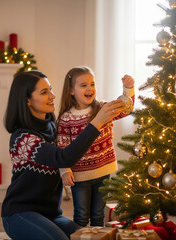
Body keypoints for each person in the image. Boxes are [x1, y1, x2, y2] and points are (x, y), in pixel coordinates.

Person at [1, 70, 126, 240]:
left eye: (50, 89)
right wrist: (97, 121)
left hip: (52, 215)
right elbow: (64, 157)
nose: (52, 95)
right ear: (27, 100)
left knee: (87, 238)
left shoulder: (55, 126)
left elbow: (79, 145)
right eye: (44, 92)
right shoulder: (23, 139)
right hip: (20, 213)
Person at [57, 66, 135, 227]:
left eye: (92, 84)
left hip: (103, 171)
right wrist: (65, 170)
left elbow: (125, 110)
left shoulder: (102, 108)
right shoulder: (67, 118)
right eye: (83, 85)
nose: (89, 88)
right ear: (71, 90)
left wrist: (128, 89)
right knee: (81, 216)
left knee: (98, 215)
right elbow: (62, 147)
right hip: (80, 176)